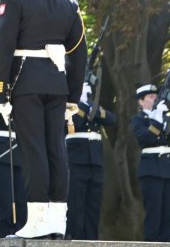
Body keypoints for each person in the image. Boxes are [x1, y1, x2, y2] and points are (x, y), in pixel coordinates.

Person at [0, 0, 87, 239]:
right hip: (57, 86)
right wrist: (73, 95)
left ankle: (37, 220)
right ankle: (58, 220)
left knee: (34, 150)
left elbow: (3, 47)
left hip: (25, 84)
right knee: (56, 149)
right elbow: (79, 51)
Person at [65, 81, 116, 240]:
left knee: (93, 205)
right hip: (76, 159)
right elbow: (76, 123)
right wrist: (82, 105)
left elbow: (111, 118)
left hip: (95, 160)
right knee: (76, 203)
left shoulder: (89, 105)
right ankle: (74, 238)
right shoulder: (67, 105)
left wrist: (89, 107)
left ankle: (91, 240)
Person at [131, 84, 170, 242]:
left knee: (169, 211)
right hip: (151, 169)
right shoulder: (138, 120)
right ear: (141, 101)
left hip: (168, 168)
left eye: (155, 97)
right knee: (154, 211)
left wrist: (164, 121)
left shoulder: (164, 117)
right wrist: (158, 120)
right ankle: (152, 243)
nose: (154, 99)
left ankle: (166, 242)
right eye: (150, 97)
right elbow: (146, 138)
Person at [0, 93, 27, 237]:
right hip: (1, 155)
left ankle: (22, 232)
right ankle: (6, 235)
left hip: (20, 153)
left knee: (22, 201)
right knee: (5, 202)